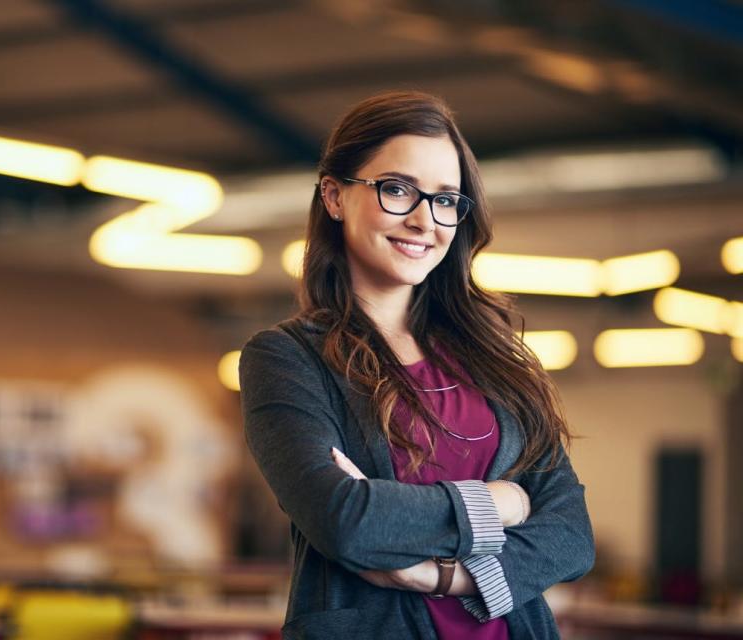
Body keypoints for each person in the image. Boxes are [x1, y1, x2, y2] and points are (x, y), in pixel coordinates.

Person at [238, 91, 594, 639]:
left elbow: (570, 534)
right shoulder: (286, 358)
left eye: (446, 199)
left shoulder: (492, 355)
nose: (425, 220)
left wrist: (442, 577)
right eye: (397, 189)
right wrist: (503, 501)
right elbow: (346, 522)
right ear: (334, 196)